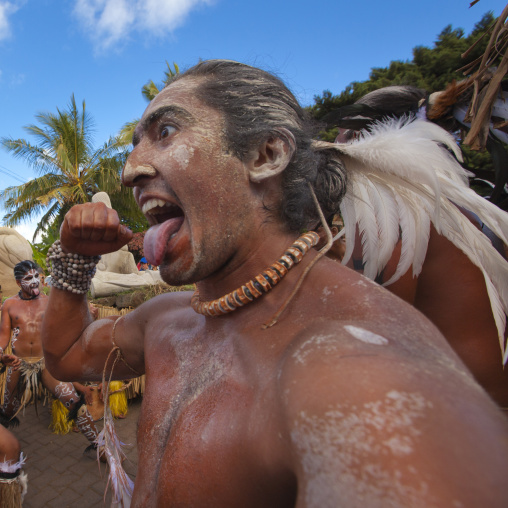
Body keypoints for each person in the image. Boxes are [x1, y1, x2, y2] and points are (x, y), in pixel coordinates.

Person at [41, 60, 508, 507]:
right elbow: (65, 354)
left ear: (266, 154)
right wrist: (74, 259)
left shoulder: (351, 372)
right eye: (134, 147)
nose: (129, 172)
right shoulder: (169, 319)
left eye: (166, 132)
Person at [324, 85, 508, 409]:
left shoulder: (392, 205)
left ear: (358, 140)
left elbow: (362, 334)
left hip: (466, 425)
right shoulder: (457, 204)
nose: (337, 142)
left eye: (342, 134)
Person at [0, 260, 103, 457]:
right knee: (6, 410)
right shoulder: (9, 305)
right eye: (27, 278)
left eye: (36, 277)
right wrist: (1, 354)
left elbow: (69, 329)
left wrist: (89, 316)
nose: (34, 282)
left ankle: (101, 446)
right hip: (18, 364)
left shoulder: (50, 303)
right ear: (17, 282)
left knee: (75, 403)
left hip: (45, 364)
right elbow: (3, 335)